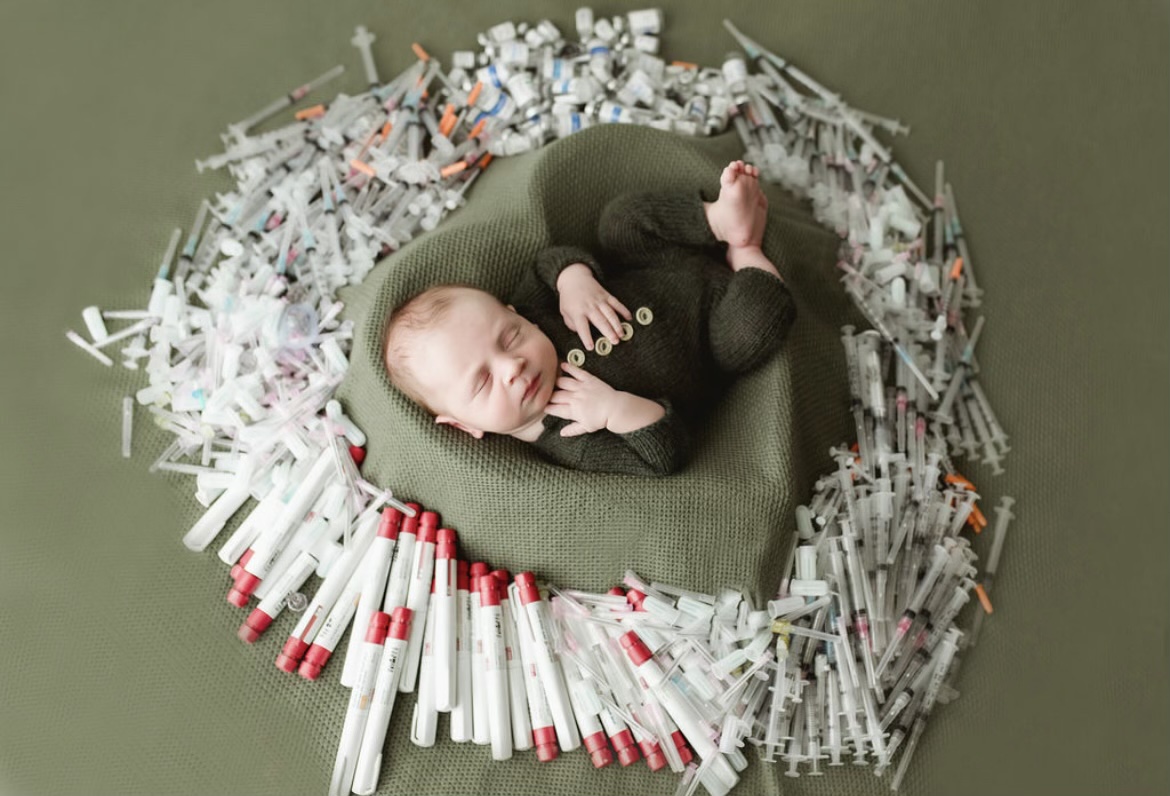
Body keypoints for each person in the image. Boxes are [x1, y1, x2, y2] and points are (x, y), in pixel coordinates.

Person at [383, 160, 795, 475]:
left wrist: (572, 279)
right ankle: (747, 251)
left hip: (652, 264)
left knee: (619, 221)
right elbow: (665, 456)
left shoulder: (533, 310)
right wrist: (615, 410)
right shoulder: (569, 438)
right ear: (462, 425)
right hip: (711, 331)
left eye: (509, 337)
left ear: (513, 314)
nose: (512, 366)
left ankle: (717, 219)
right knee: (755, 327)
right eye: (483, 382)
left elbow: (546, 262)